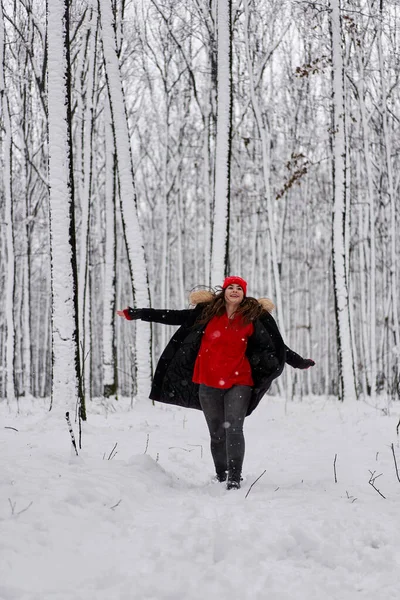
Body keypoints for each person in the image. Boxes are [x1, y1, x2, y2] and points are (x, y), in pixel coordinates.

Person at [117, 276, 315, 490]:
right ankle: (222, 475)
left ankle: (234, 479)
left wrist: (299, 362)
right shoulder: (207, 313)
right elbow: (172, 316)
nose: (235, 290)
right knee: (217, 433)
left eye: (240, 288)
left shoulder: (252, 317)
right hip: (208, 382)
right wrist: (136, 313)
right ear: (224, 291)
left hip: (240, 381)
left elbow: (276, 345)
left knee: (234, 429)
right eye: (231, 287)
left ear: (244, 293)